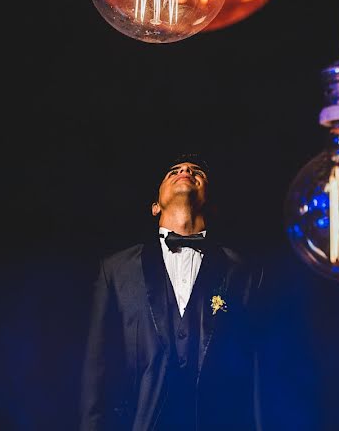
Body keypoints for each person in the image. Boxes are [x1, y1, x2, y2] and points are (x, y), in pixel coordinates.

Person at [80, 154, 263, 430]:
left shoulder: (242, 273)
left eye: (196, 171)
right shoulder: (116, 271)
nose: (186, 170)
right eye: (174, 171)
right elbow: (97, 373)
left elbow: (256, 374)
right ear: (155, 206)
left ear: (209, 204)